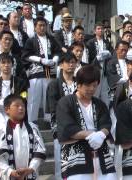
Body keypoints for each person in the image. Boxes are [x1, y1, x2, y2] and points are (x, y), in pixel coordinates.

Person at [56, 65, 117, 179]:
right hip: (76, 157)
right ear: (78, 84)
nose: (91, 89)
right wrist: (91, 134)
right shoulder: (65, 103)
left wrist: (101, 133)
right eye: (87, 85)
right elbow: (68, 128)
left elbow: (106, 124)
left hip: (102, 155)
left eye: (94, 85)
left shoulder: (100, 104)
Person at [0, 53, 28, 165]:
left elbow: (24, 97)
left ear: (12, 65)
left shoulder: (20, 82)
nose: (6, 65)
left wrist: (15, 105)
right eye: (3, 63)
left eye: (9, 62)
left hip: (15, 117)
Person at [0, 94, 46, 179]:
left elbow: (40, 149)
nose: (21, 108)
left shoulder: (33, 128)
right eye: (17, 106)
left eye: (23, 106)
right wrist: (10, 171)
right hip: (7, 176)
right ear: (7, 110)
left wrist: (31, 168)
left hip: (29, 175)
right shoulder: (1, 130)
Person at [22, 17, 61, 123]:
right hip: (36, 73)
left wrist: (55, 59)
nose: (42, 27)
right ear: (35, 27)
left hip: (50, 72)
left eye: (44, 25)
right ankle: (31, 120)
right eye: (40, 25)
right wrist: (40, 60)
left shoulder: (52, 39)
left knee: (49, 97)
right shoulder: (31, 40)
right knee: (33, 98)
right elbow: (26, 55)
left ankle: (49, 120)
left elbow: (58, 51)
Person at [46, 52, 77, 180]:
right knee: (61, 162)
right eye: (68, 62)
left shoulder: (79, 83)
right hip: (61, 126)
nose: (71, 64)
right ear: (61, 65)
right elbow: (53, 107)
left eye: (73, 62)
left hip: (79, 125)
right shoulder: (54, 84)